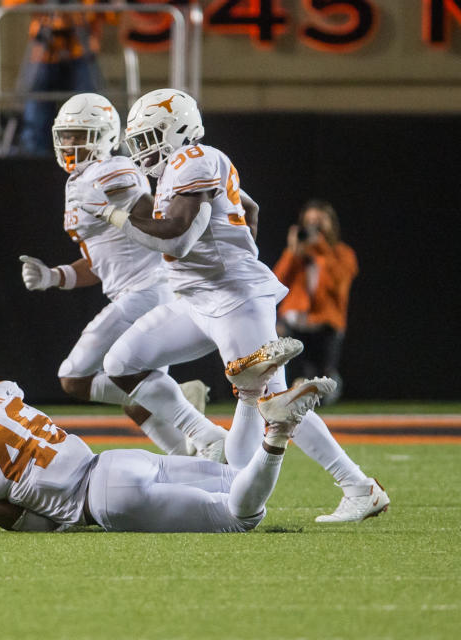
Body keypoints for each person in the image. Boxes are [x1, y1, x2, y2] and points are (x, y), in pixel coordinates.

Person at [78, 89, 389, 523]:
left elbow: (176, 238)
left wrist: (115, 217)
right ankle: (204, 435)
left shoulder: (194, 160)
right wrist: (236, 245)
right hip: (197, 296)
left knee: (275, 403)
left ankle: (358, 486)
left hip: (233, 299)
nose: (143, 150)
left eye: (150, 138)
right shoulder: (177, 169)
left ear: (179, 130)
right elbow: (250, 207)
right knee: (123, 363)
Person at [19, 92, 219, 458]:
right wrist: (52, 276)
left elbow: (149, 221)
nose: (70, 143)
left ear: (106, 136)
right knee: (135, 395)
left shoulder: (114, 170)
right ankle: (189, 459)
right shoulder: (80, 180)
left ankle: (194, 421)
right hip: (136, 291)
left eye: (80, 135)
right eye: (66, 135)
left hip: (146, 290)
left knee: (74, 377)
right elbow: (99, 262)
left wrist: (114, 209)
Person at [0, 374, 336, 532]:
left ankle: (276, 430)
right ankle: (251, 393)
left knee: (241, 516)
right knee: (232, 476)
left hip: (102, 502)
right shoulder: (3, 396)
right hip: (114, 460)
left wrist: (49, 522)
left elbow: (10, 518)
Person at [273, 199, 358, 403]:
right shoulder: (297, 255)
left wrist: (320, 248)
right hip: (295, 322)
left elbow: (337, 286)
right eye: (309, 222)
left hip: (325, 324)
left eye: (319, 222)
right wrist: (293, 251)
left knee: (323, 380)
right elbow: (276, 282)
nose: (313, 227)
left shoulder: (343, 254)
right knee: (291, 376)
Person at [5, 0, 106, 154]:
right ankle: (33, 159)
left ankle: (92, 157)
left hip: (81, 47)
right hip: (43, 51)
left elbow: (112, 9)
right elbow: (10, 3)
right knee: (36, 119)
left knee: (89, 111)